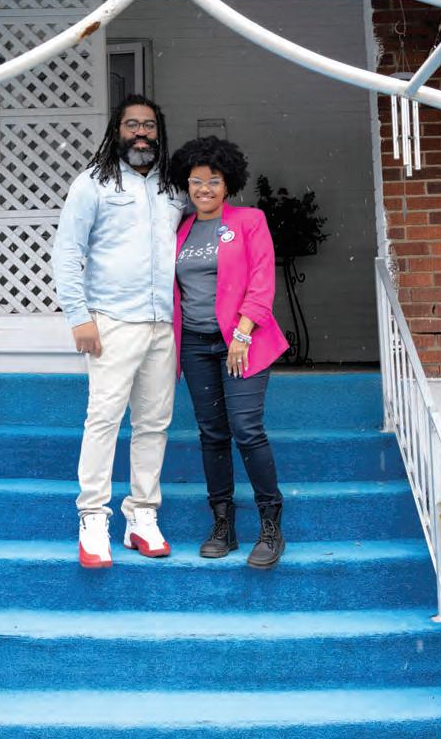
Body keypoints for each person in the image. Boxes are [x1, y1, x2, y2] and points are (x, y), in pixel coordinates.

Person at [52, 94, 184, 568]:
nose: (141, 133)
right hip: (111, 321)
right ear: (117, 130)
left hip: (162, 325)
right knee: (104, 420)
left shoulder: (174, 188)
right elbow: (67, 251)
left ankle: (142, 516)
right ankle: (93, 518)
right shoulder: (93, 183)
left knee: (154, 424)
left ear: (159, 131)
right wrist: (79, 317)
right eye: (132, 124)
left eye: (149, 125)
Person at [168, 137, 290, 569]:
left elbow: (261, 279)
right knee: (212, 434)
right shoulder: (180, 228)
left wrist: (242, 332)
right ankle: (223, 524)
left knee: (246, 428)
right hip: (195, 344)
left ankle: (270, 525)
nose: (204, 188)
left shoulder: (249, 220)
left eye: (214, 180)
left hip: (242, 340)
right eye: (196, 181)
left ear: (228, 183)